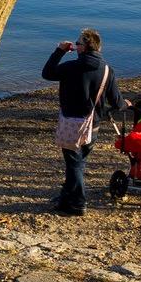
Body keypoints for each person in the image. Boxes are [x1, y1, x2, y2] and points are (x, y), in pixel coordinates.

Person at [42, 27, 125, 217]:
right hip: (92, 126)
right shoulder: (107, 70)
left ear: (84, 48)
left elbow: (47, 73)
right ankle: (66, 197)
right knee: (78, 162)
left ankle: (78, 203)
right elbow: (116, 101)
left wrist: (60, 50)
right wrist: (125, 104)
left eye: (77, 43)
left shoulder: (70, 67)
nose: (75, 45)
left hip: (72, 124)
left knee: (74, 164)